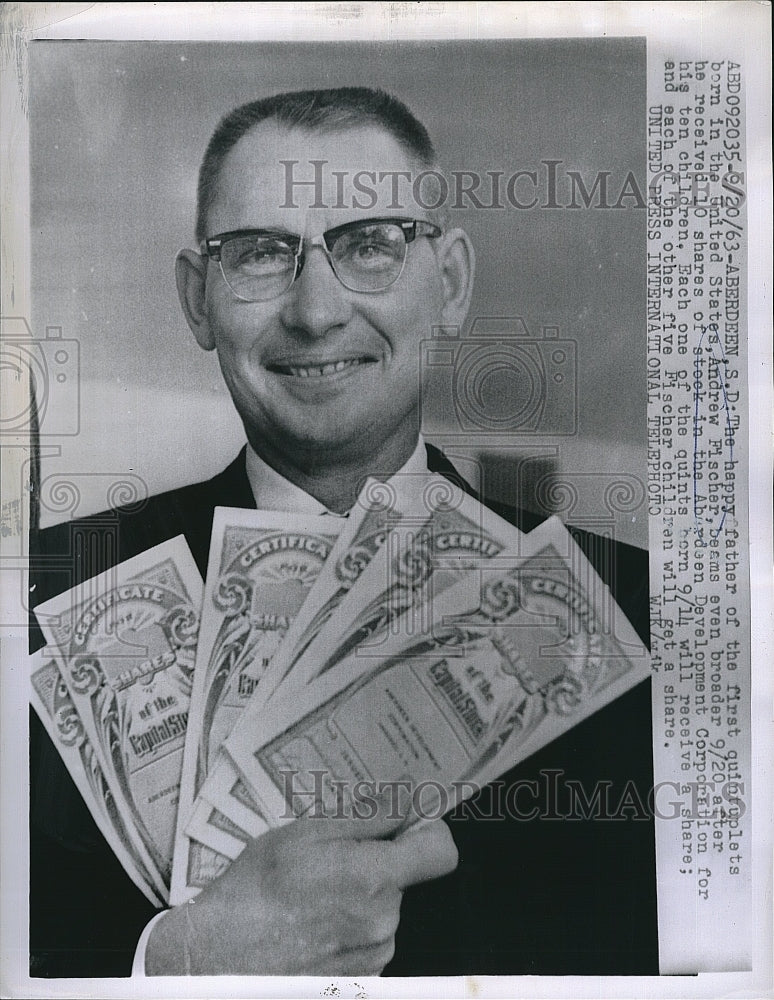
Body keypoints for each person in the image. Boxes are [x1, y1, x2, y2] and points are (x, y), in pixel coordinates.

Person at [29, 87, 657, 978]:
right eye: (258, 254)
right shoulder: (45, 599)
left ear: (450, 284)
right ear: (197, 300)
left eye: (370, 245)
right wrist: (180, 963)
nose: (316, 313)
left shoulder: (636, 612)